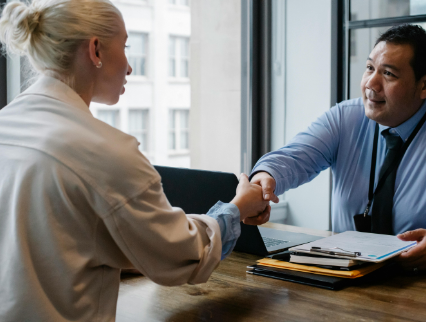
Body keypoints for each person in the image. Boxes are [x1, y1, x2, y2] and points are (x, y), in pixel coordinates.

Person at [0, 0, 270, 321]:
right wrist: (238, 208)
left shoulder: (7, 123)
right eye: (126, 46)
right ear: (96, 50)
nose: (130, 67)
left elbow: (54, 243)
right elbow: (181, 256)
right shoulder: (105, 151)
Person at [250, 24, 426, 271]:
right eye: (369, 68)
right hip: (346, 281)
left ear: (423, 86)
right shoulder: (346, 117)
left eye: (388, 74)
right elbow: (295, 157)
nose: (371, 84)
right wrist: (265, 177)